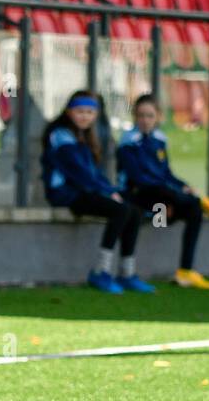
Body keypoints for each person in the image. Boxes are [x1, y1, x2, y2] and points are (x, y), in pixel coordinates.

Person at [41, 93, 152, 295]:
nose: (85, 116)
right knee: (120, 211)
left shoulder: (84, 136)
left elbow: (93, 174)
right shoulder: (61, 134)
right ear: (69, 112)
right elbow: (78, 173)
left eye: (90, 112)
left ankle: (127, 273)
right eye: (80, 111)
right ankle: (101, 271)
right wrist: (107, 193)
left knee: (134, 211)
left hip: (84, 191)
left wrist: (110, 190)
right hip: (66, 194)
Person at [117, 95, 209, 290]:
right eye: (140, 115)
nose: (144, 120)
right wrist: (172, 194)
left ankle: (185, 271)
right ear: (134, 117)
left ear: (158, 117)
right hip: (138, 196)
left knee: (193, 209)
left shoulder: (159, 140)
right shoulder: (128, 141)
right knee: (164, 192)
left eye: (149, 115)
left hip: (162, 203)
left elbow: (167, 174)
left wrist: (183, 185)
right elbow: (138, 178)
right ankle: (196, 201)